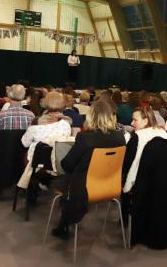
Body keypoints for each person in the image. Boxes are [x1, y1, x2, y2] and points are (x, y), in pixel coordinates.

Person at [51, 101, 126, 239]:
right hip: (111, 187)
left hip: (84, 189)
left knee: (67, 176)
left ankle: (64, 223)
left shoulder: (84, 137)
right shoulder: (120, 137)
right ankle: (65, 222)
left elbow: (67, 164)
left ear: (91, 116)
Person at [123, 107, 167, 193]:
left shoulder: (137, 137)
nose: (131, 123)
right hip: (162, 183)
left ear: (145, 121)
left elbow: (126, 164)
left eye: (135, 120)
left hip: (138, 184)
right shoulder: (163, 134)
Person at [21, 91, 72, 163]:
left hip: (36, 162)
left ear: (45, 103)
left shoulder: (36, 124)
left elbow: (25, 143)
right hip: (57, 162)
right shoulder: (66, 125)